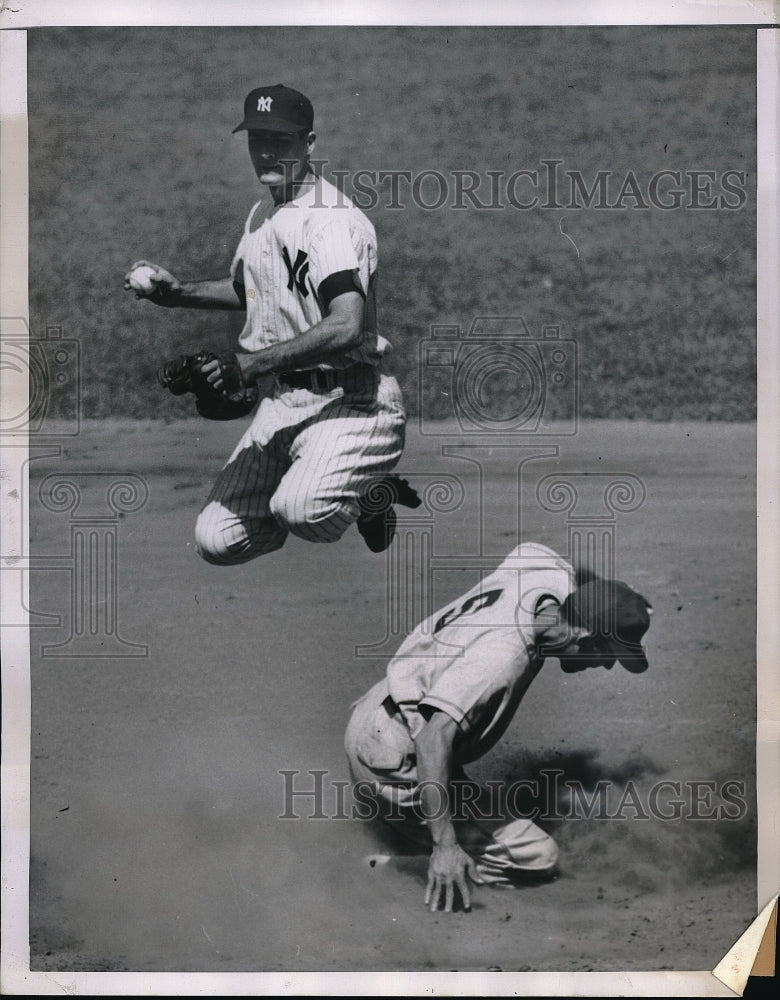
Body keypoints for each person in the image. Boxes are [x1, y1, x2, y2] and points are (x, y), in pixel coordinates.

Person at [124, 84, 415, 558]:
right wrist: (176, 295)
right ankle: (316, 477)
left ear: (309, 144)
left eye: (280, 140)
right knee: (216, 540)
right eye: (257, 139)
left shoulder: (331, 222)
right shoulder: (264, 212)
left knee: (304, 511)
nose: (266, 151)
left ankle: (368, 494)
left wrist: (252, 364)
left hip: (353, 402)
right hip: (284, 402)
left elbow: (346, 326)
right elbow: (250, 289)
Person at [344, 541, 653, 913]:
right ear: (585, 637)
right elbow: (432, 738)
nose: (606, 667)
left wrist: (614, 598)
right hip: (397, 757)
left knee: (468, 797)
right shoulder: (501, 659)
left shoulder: (541, 574)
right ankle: (396, 870)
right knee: (536, 857)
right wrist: (444, 846)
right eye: (609, 656)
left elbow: (556, 561)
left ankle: (414, 835)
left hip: (382, 709)